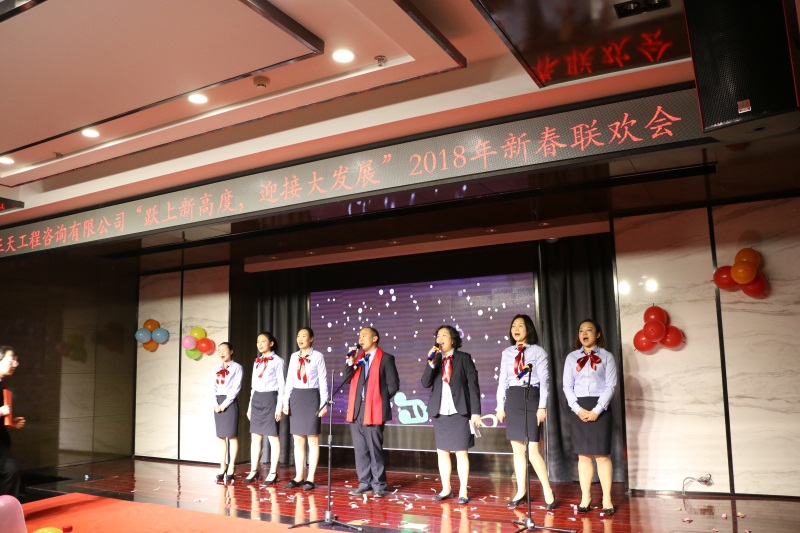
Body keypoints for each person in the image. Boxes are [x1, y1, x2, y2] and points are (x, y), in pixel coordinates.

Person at [496, 314, 556, 510]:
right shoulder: (507, 353)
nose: (516, 329)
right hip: (513, 397)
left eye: (520, 325)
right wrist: (500, 406)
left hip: (531, 396)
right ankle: (521, 491)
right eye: (513, 326)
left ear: (528, 329)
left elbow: (544, 382)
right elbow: (502, 381)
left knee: (532, 451)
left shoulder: (538, 352)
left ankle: (548, 490)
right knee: (517, 450)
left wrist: (542, 406)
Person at [421, 325, 481, 504]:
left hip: (459, 411)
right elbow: (425, 383)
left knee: (461, 453)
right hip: (440, 411)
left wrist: (475, 412)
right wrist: (431, 363)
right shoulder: (435, 360)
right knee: (442, 452)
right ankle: (446, 488)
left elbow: (473, 386)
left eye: (444, 335)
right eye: (438, 336)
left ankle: (463, 490)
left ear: (453, 340)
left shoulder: (464, 358)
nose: (439, 339)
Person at [563, 319, 617, 515]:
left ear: (598, 334)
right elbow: (567, 386)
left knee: (602, 456)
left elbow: (611, 385)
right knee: (583, 456)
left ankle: (607, 498)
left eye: (589, 330)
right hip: (579, 407)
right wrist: (577, 409)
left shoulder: (607, 356)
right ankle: (585, 497)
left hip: (600, 408)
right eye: (581, 331)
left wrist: (597, 410)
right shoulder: (571, 358)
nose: (584, 334)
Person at [344, 327, 400, 498]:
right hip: (357, 409)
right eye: (359, 336)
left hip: (374, 409)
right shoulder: (359, 359)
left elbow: (393, 386)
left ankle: (379, 485)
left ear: (375, 338)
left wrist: (377, 399)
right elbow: (347, 380)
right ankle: (364, 482)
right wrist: (350, 362)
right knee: (360, 450)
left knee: (374, 450)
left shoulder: (386, 358)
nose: (360, 339)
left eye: (364, 336)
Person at [282, 326, 328, 490]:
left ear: (311, 339)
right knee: (298, 439)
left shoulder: (318, 356)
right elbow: (289, 380)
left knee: (312, 439)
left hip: (311, 397)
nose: (300, 339)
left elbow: (323, 380)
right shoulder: (294, 356)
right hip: (296, 397)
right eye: (298, 336)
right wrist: (285, 401)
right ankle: (299, 476)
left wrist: (324, 403)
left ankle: (311, 477)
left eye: (304, 336)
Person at [244, 332, 285, 485]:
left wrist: (279, 407)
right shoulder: (257, 361)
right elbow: (253, 386)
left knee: (273, 437)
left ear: (271, 343)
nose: (260, 344)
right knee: (255, 437)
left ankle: (273, 472)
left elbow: (282, 385)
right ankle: (254, 470)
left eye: (263, 341)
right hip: (257, 399)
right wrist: (250, 406)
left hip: (270, 398)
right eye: (258, 341)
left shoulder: (278, 361)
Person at [213, 342, 242, 482]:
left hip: (229, 403)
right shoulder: (216, 368)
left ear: (231, 351)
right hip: (217, 402)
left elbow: (236, 388)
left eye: (224, 350)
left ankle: (231, 466)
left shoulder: (237, 367)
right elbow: (213, 387)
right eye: (219, 351)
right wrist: (215, 403)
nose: (221, 353)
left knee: (231, 436)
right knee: (220, 437)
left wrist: (224, 404)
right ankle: (222, 466)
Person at [0, 346, 25, 498]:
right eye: (11, 360)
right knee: (11, 470)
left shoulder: (2, 384)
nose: (15, 364)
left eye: (16, 361)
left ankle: (5, 508)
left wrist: (11, 422)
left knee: (11, 471)